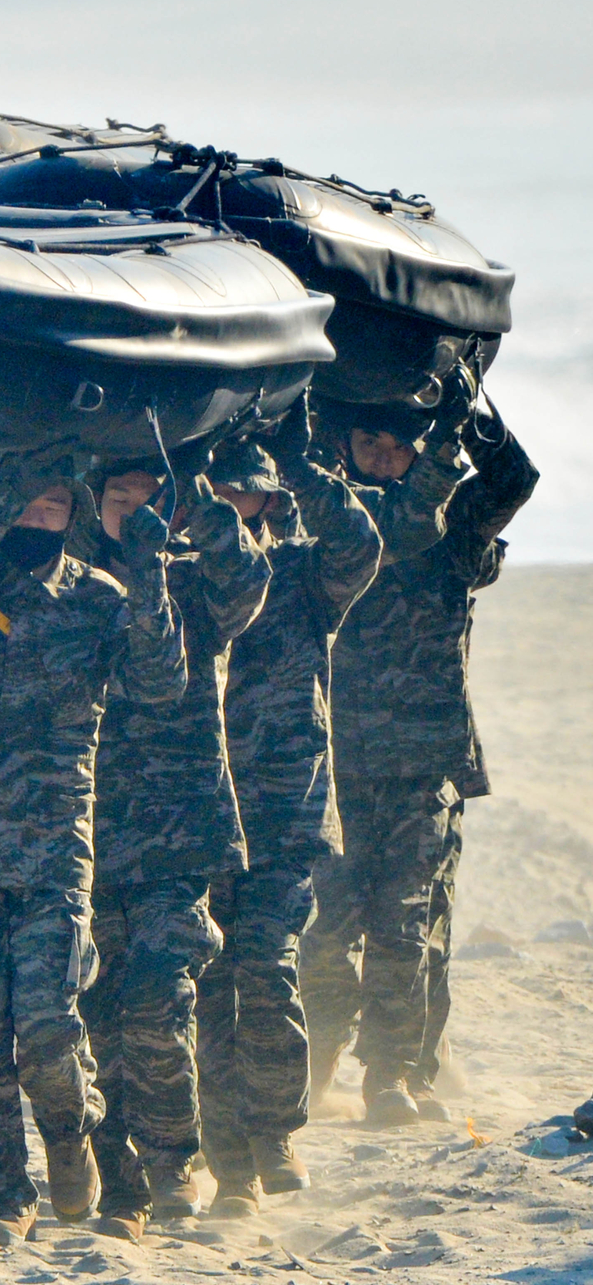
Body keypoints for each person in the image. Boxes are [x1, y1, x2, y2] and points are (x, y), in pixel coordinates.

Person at [0, 448, 187, 1246]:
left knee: (52, 1028)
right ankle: (3, 1191)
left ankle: (68, 1132)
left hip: (52, 848)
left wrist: (150, 568)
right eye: (23, 505)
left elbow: (162, 683)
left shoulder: (99, 600)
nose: (34, 518)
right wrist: (6, 491)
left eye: (52, 506)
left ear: (77, 518)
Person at [303, 373, 538, 1125]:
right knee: (325, 930)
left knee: (407, 928)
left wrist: (467, 410)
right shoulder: (326, 520)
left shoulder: (456, 526)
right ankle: (314, 1066)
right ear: (343, 443)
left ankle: (393, 1076)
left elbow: (515, 477)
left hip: (420, 765)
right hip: (329, 762)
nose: (381, 455)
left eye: (398, 444)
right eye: (368, 440)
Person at [196, 404, 384, 1216]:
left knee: (267, 968)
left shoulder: (309, 575)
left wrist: (304, 466)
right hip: (192, 812)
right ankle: (226, 1158)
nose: (234, 507)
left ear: (270, 503)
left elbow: (363, 545)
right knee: (204, 986)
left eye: (246, 496)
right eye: (220, 494)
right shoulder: (178, 576)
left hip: (284, 811)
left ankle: (272, 1132)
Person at [81, 455, 270, 1238]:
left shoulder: (202, 580)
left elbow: (248, 585)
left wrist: (197, 494)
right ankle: (122, 1188)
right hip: (82, 832)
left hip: (180, 832)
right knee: (96, 1016)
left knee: (169, 1000)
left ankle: (190, 1162)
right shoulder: (74, 585)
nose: (130, 511)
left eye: (145, 496)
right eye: (115, 498)